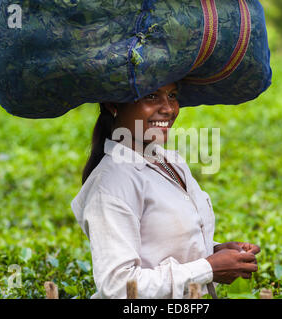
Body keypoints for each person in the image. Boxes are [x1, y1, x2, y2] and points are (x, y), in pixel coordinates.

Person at [71, 82, 260, 299]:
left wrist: (216, 251)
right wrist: (209, 268)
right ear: (113, 105)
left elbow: (160, 244)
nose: (168, 108)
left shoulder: (171, 161)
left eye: (172, 95)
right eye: (151, 96)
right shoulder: (112, 181)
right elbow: (118, 287)